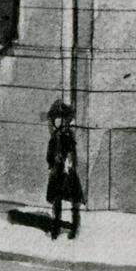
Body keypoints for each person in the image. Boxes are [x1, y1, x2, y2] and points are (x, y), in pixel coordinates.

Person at [45, 99, 85, 241]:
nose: (59, 122)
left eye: (61, 119)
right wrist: (51, 164)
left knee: (74, 201)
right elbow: (49, 154)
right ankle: (56, 227)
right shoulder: (54, 137)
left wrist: (69, 163)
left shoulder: (68, 135)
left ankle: (74, 228)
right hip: (57, 171)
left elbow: (71, 153)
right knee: (57, 201)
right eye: (57, 119)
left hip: (67, 171)